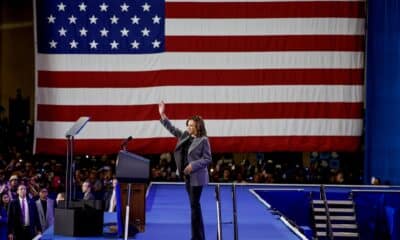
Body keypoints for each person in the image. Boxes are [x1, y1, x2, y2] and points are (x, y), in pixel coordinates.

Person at [158, 101, 212, 240]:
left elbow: (207, 159)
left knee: (194, 207)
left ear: (198, 126)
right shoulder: (185, 136)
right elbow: (173, 129)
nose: (188, 127)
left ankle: (197, 238)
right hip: (187, 177)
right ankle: (199, 237)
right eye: (187, 125)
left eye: (191, 126)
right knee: (195, 207)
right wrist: (162, 115)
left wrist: (192, 166)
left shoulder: (203, 140)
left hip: (197, 177)